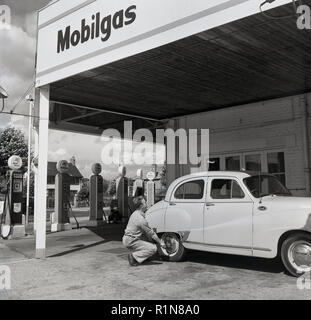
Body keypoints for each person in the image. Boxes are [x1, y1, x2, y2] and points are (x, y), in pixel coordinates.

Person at [122, 196, 166, 266]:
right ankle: (134, 256)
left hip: (129, 238)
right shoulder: (140, 219)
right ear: (141, 205)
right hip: (131, 241)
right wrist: (160, 242)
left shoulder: (136, 213)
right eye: (145, 202)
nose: (147, 204)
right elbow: (151, 233)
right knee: (153, 248)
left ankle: (143, 256)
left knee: (147, 239)